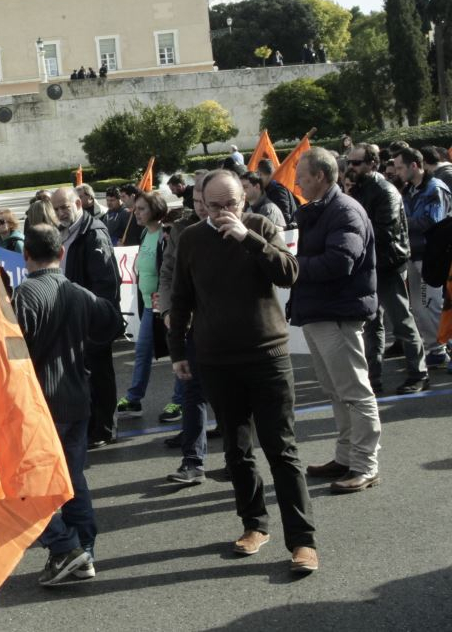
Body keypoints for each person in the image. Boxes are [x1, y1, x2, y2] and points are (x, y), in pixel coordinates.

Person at [169, 169, 318, 574]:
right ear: (200, 201)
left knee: (281, 450)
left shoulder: (261, 226)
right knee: (236, 450)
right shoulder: (191, 239)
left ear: (244, 200)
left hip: (267, 356)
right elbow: (180, 299)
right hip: (216, 359)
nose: (221, 213)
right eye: (213, 206)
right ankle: (255, 524)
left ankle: (302, 541)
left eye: (229, 204)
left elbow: (289, 272)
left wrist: (247, 238)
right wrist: (177, 350)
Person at [12, 223, 122, 585]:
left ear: (25, 256)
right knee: (71, 480)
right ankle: (83, 552)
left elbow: (13, 355)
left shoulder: (25, 294)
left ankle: (65, 547)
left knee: (27, 487)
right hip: (77, 399)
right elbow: (112, 322)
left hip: (41, 404)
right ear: (61, 254)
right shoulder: (77, 292)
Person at [291, 148, 382, 494]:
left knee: (354, 393)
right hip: (321, 312)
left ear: (320, 177)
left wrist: (292, 267)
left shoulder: (344, 211)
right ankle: (346, 457)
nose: (296, 180)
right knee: (336, 391)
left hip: (337, 314)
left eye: (301, 174)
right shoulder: (322, 210)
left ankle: (364, 465)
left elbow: (339, 262)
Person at [347, 145, 428, 394]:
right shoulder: (359, 190)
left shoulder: (384, 191)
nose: (351, 167)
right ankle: (374, 378)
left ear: (372, 163)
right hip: (370, 265)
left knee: (401, 320)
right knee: (372, 324)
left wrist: (353, 232)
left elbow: (385, 231)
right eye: (349, 162)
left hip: (387, 264)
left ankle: (419, 373)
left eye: (357, 163)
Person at [48, 189, 121, 450]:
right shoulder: (66, 231)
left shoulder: (92, 233)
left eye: (64, 207)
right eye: (56, 209)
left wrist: (95, 315)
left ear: (78, 203)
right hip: (74, 315)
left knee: (99, 372)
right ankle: (93, 425)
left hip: (92, 316)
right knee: (86, 372)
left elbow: (106, 282)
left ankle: (104, 428)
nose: (60, 213)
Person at [158, 183, 212, 483]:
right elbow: (168, 274)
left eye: (208, 201)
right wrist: (167, 312)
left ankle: (238, 458)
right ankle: (192, 461)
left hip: (228, 327)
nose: (203, 207)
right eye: (197, 201)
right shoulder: (181, 231)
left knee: (230, 396)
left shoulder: (245, 224)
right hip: (191, 324)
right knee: (193, 393)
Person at [116, 192, 184, 422]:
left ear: (155, 210)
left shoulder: (167, 235)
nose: (136, 212)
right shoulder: (145, 232)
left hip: (164, 306)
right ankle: (134, 399)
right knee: (142, 352)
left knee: (178, 353)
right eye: (136, 208)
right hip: (148, 307)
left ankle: (180, 401)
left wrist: (166, 300)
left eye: (142, 209)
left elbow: (170, 272)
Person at [396, 146, 452, 368]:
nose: (397, 172)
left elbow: (433, 222)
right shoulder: (409, 190)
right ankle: (435, 349)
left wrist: (399, 222)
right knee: (419, 308)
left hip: (433, 257)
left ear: (414, 165)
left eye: (400, 167)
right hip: (414, 254)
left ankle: (447, 346)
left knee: (435, 304)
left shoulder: (435, 188)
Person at [258, 159, 298, 227]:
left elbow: (285, 217)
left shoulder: (278, 190)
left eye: (259, 175)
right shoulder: (269, 188)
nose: (258, 179)